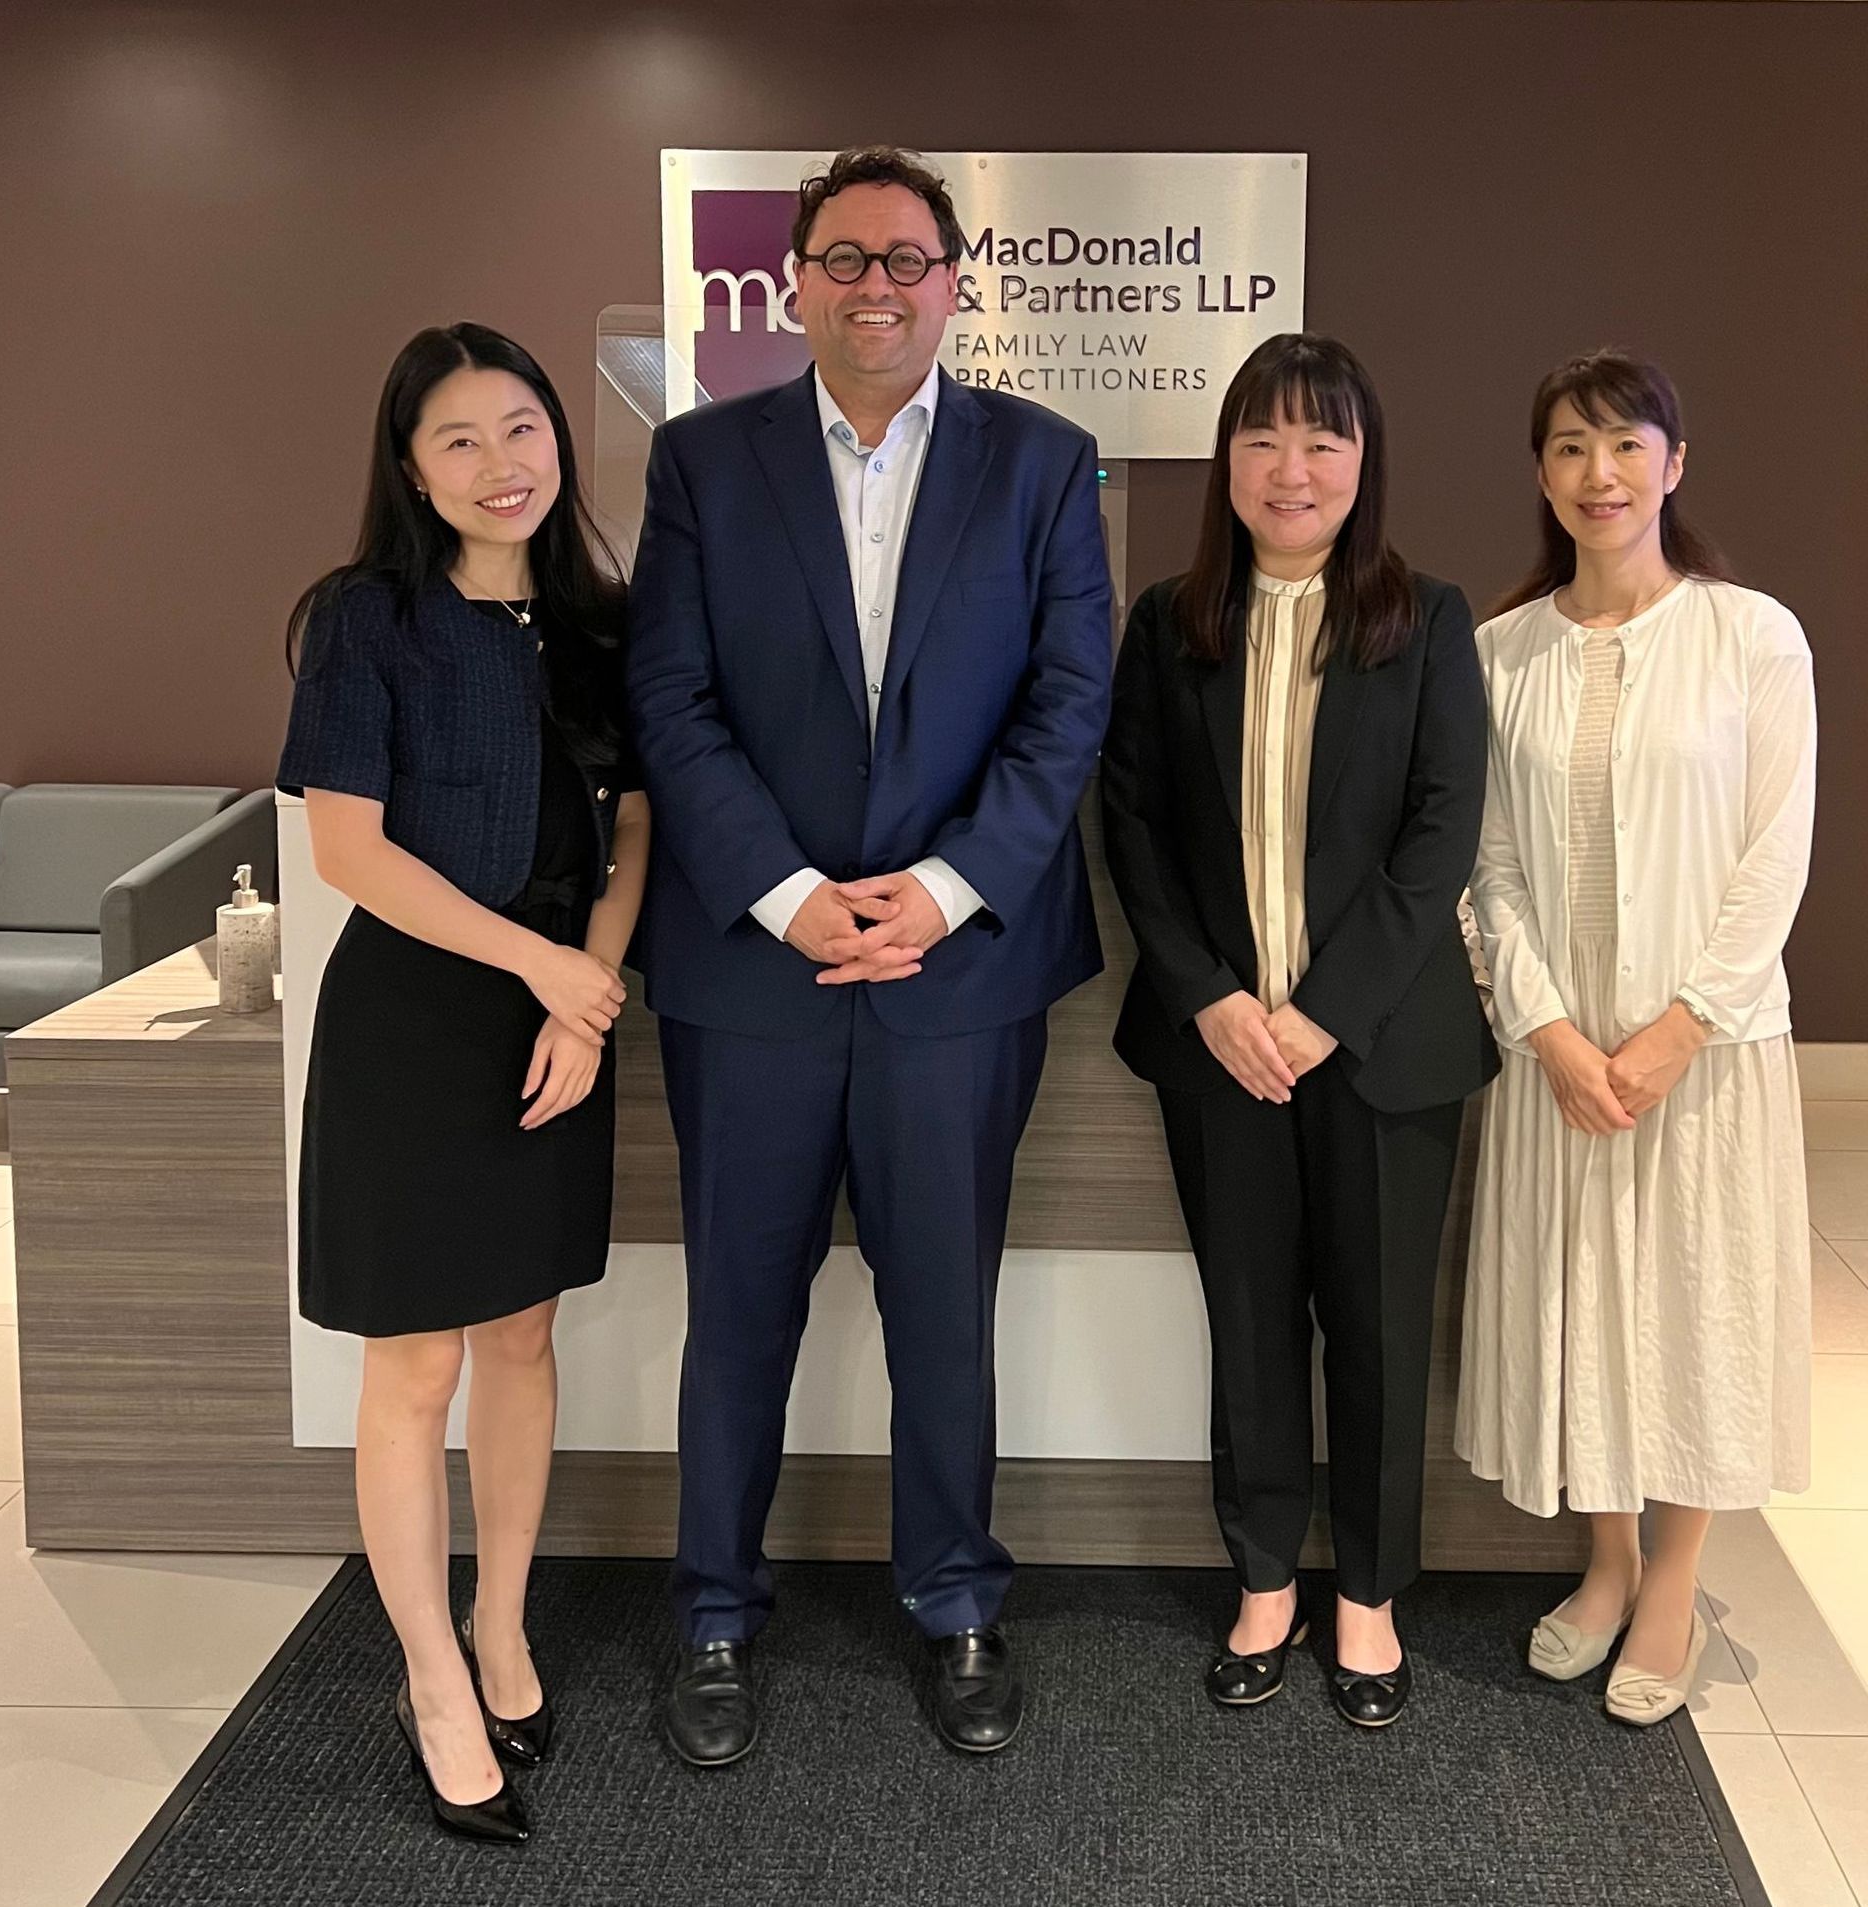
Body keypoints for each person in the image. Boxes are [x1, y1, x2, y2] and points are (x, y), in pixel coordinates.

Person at [627, 145, 1111, 1763]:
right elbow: (673, 701)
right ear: (796, 284)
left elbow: (1066, 707)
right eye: (846, 260)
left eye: (909, 259)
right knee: (739, 1308)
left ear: (954, 281)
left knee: (944, 1310)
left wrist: (949, 884)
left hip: (957, 973)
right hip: (753, 976)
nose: (878, 287)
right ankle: (711, 1608)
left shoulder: (1045, 462)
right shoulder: (702, 463)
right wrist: (783, 891)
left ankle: (960, 1602)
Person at [277, 323, 648, 1839]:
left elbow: (635, 840)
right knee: (411, 1367)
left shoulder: (603, 622)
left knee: (521, 1335)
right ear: (412, 470)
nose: (502, 465)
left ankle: (503, 1624)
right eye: (460, 441)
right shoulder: (366, 620)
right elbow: (348, 851)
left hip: (565, 1017)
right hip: (421, 1022)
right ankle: (434, 1676)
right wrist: (538, 968)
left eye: (521, 428)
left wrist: (590, 994)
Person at [1103, 333, 1496, 1728]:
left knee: (1379, 1331)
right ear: (1227, 461)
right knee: (1253, 1322)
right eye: (1264, 438)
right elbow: (1132, 823)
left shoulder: (1426, 616)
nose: (1293, 467)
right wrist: (1214, 997)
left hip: (1382, 1050)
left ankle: (1371, 1594)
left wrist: (1322, 1015)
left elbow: (1440, 835)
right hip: (1219, 1046)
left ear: (1362, 461)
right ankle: (1265, 1576)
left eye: (1324, 440)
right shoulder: (1169, 620)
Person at [1457, 349, 1815, 1725]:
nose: (1596, 475)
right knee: (1581, 1313)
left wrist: (1678, 1031)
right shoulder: (1501, 653)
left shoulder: (1751, 636)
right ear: (1540, 475)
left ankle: (1675, 1582)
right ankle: (1603, 1564)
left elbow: (1772, 861)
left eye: (1622, 446)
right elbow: (1485, 869)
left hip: (1704, 1058)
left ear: (1673, 462)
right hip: (1559, 1058)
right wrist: (1545, 1026)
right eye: (1566, 449)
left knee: (1689, 1313)